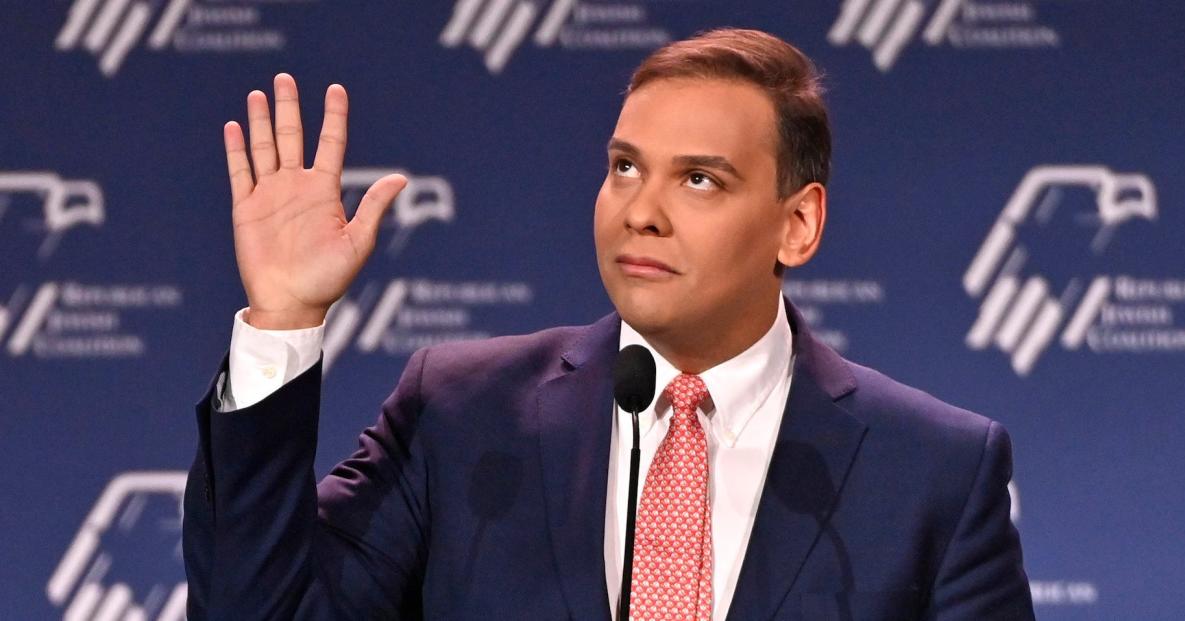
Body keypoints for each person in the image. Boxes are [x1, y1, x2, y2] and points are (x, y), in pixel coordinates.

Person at [185, 28, 1035, 620]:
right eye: (625, 167)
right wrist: (285, 317)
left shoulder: (935, 472)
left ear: (798, 224)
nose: (642, 212)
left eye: (699, 180)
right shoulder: (460, 414)